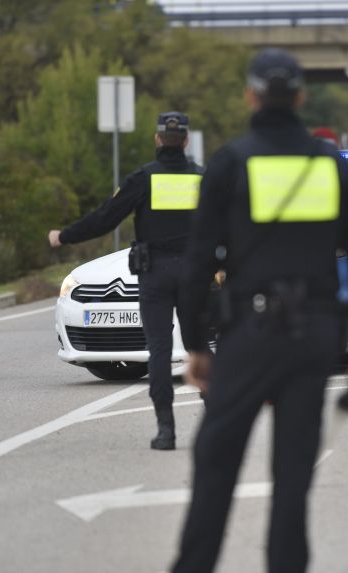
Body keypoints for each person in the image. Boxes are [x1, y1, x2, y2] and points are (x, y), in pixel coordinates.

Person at [171, 48, 348, 573]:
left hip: (249, 333)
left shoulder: (230, 162)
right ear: (301, 97)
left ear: (250, 96)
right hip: (314, 338)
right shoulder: (331, 165)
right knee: (292, 482)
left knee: (215, 466)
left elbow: (196, 267)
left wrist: (197, 345)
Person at [48, 111, 203, 451]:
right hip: (194, 274)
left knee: (160, 351)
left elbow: (105, 218)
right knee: (198, 349)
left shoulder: (143, 179)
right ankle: (215, 427)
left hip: (155, 274)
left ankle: (166, 431)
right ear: (187, 140)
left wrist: (66, 236)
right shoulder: (202, 179)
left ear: (157, 139)